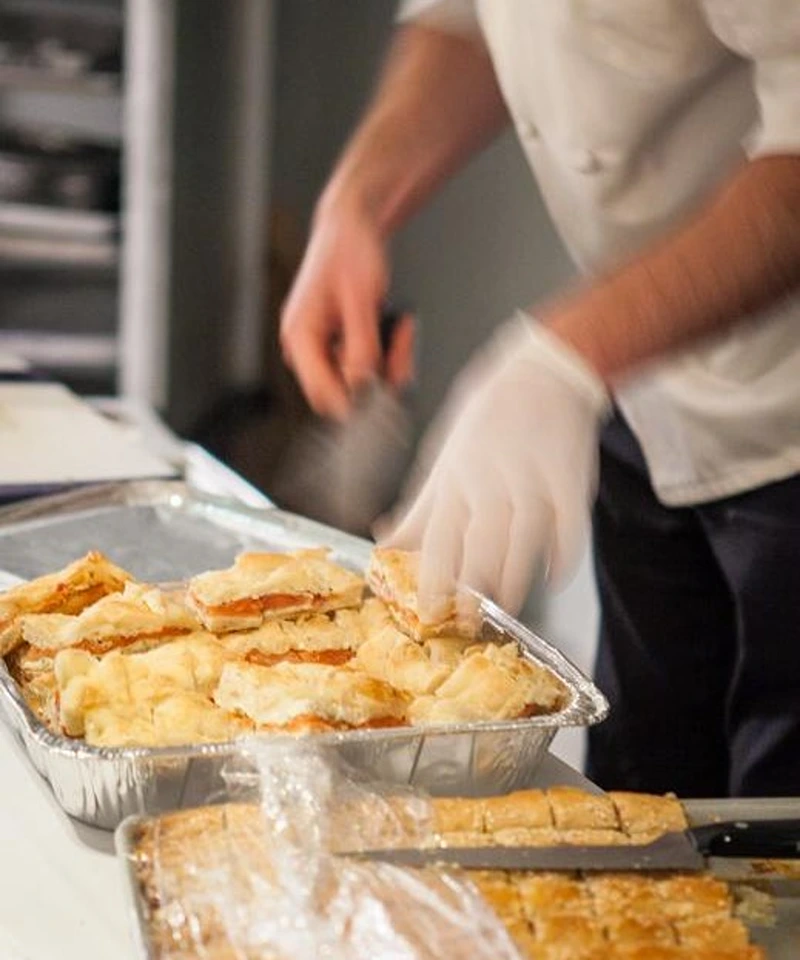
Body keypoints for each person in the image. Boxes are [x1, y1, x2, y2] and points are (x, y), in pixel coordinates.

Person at [279, 1, 800, 798]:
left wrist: (562, 360)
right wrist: (357, 201)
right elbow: (469, 22)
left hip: (779, 393)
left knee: (778, 858)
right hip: (646, 380)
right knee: (646, 818)